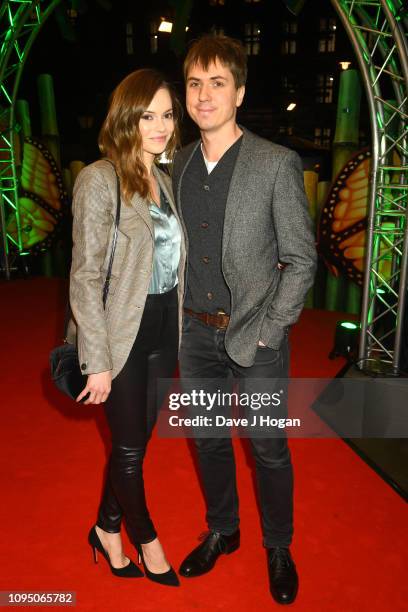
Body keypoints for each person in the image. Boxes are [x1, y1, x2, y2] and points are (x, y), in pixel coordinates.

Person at [172, 35, 317, 604]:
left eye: (217, 83)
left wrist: (270, 328)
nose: (204, 95)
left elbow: (301, 258)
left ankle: (277, 544)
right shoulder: (176, 163)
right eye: (194, 83)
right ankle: (223, 530)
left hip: (255, 335)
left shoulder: (275, 162)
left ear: (239, 91)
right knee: (207, 441)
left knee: (266, 446)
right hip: (193, 333)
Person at [66, 69, 186, 587]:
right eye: (147, 116)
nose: (159, 127)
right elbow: (86, 275)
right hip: (121, 331)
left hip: (164, 325)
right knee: (132, 448)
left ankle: (105, 529)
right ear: (125, 119)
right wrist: (98, 360)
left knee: (135, 439)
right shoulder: (99, 179)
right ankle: (148, 539)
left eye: (166, 115)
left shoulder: (163, 177)